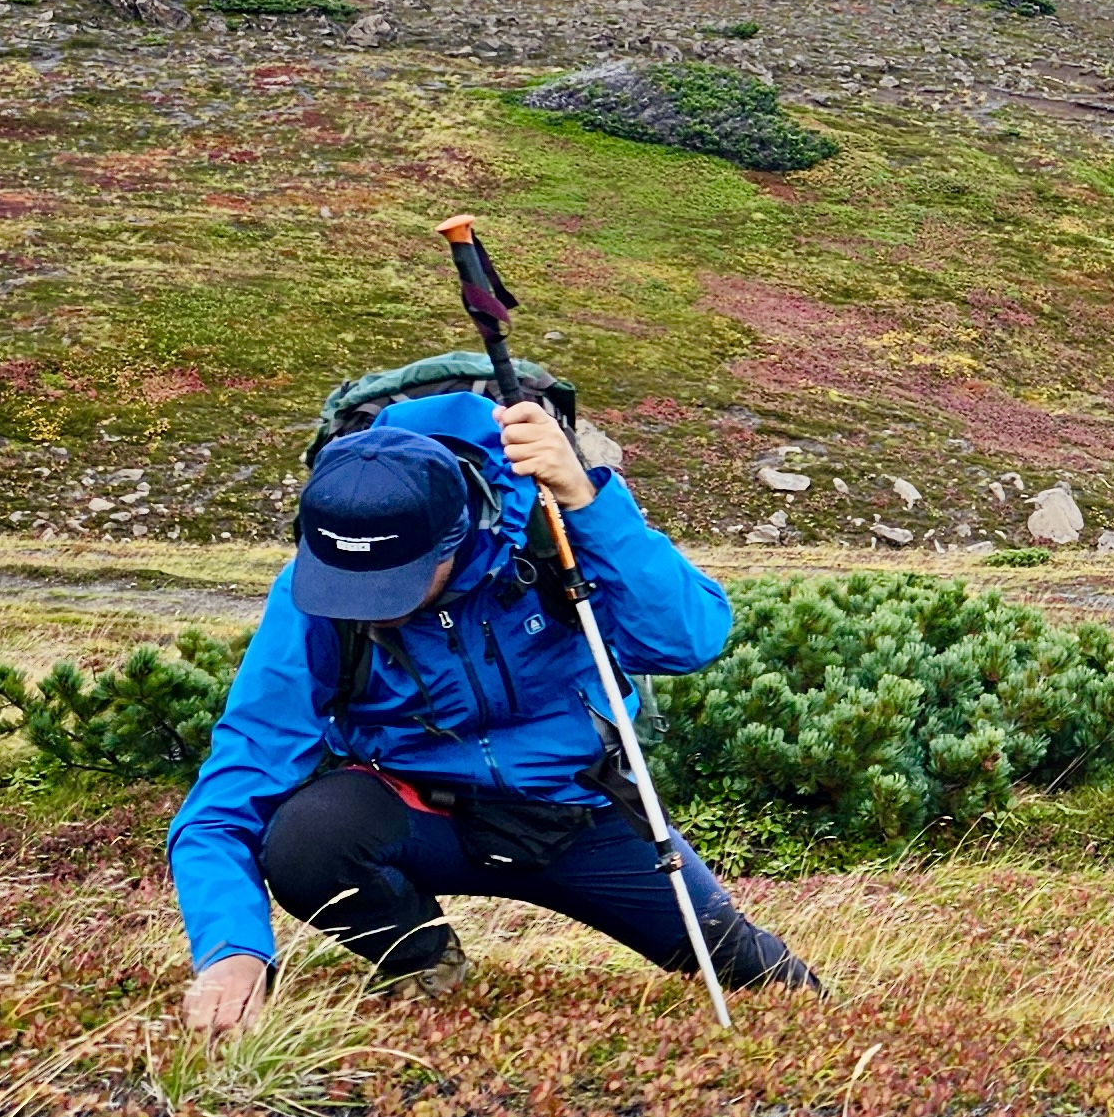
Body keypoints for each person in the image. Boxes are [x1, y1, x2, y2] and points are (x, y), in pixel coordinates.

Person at [168, 390, 813, 1037]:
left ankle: (818, 1018)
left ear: (458, 537)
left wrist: (590, 504)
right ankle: (430, 973)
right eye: (347, 587)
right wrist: (231, 950)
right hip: (418, 813)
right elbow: (238, 777)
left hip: (581, 812)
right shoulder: (320, 590)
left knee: (744, 966)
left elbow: (686, 641)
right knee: (308, 843)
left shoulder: (551, 531)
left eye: (392, 585)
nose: (362, 605)